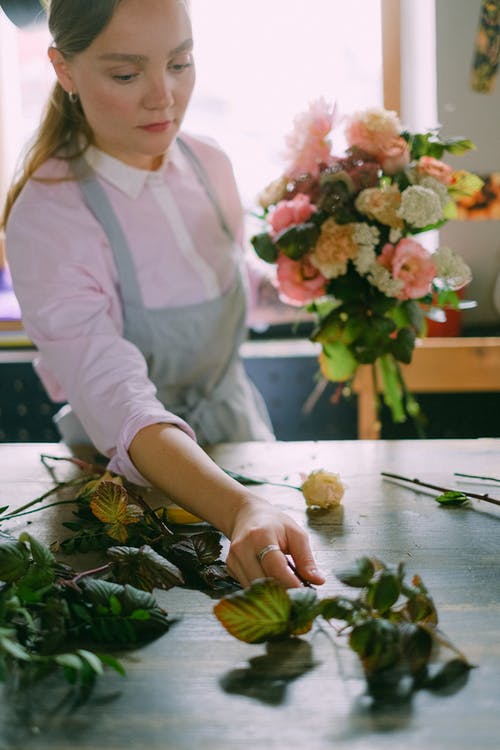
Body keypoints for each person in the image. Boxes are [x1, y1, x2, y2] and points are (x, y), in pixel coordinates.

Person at [2, 0, 325, 590]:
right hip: (121, 500)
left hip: (240, 443)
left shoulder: (209, 162)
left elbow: (233, 292)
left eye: (181, 62)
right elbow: (118, 399)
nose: (164, 96)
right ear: (64, 69)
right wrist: (239, 510)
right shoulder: (48, 216)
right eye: (127, 74)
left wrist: (315, 277)